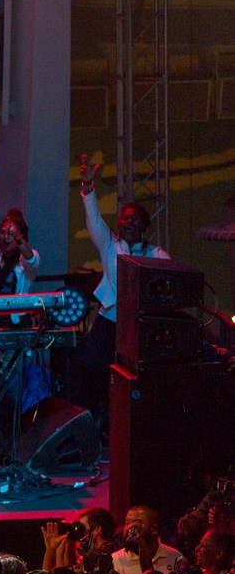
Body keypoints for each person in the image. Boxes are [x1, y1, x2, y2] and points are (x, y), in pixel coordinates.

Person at [72, 153, 169, 433]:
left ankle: (135, 423)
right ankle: (97, 416)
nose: (128, 223)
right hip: (110, 318)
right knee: (91, 364)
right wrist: (88, 187)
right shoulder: (109, 245)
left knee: (135, 375)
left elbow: (171, 278)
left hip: (138, 324)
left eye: (134, 220)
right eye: (124, 219)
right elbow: (93, 219)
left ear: (145, 225)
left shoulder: (155, 254)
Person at [111, 505, 185, 574]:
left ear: (154, 529)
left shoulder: (176, 557)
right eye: (127, 523)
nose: (129, 528)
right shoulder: (114, 560)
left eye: (137, 524)